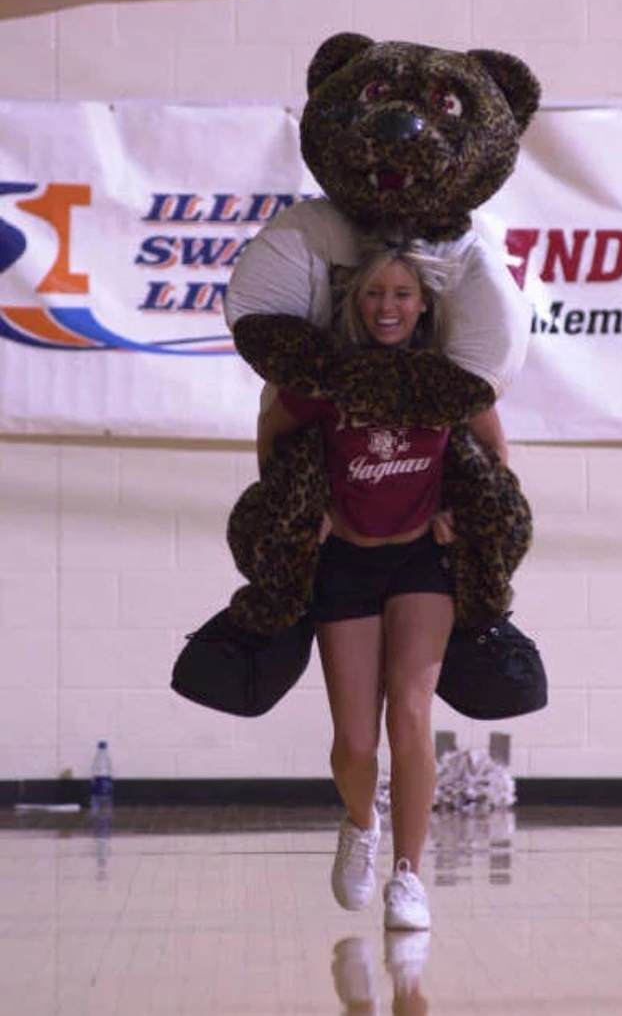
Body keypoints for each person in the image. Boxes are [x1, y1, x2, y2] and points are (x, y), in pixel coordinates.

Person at [256, 249, 508, 931]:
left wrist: (463, 508)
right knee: (357, 742)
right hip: (346, 562)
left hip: (422, 563)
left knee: (412, 716)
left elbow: (493, 449)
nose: (388, 305)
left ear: (424, 302)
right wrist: (301, 505)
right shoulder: (330, 380)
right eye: (374, 293)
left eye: (401, 292)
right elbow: (273, 429)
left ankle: (408, 876)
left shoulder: (441, 380)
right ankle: (360, 822)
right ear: (355, 301)